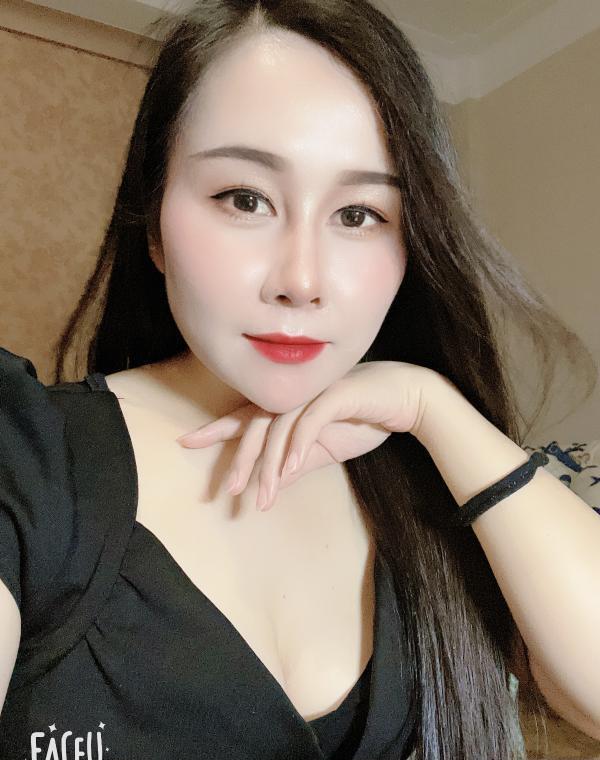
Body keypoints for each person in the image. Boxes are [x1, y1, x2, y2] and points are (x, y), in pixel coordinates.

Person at [1, 1, 599, 758]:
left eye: (359, 214)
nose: (302, 281)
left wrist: (436, 409)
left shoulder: (422, 476)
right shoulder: (27, 451)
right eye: (245, 199)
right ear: (153, 223)